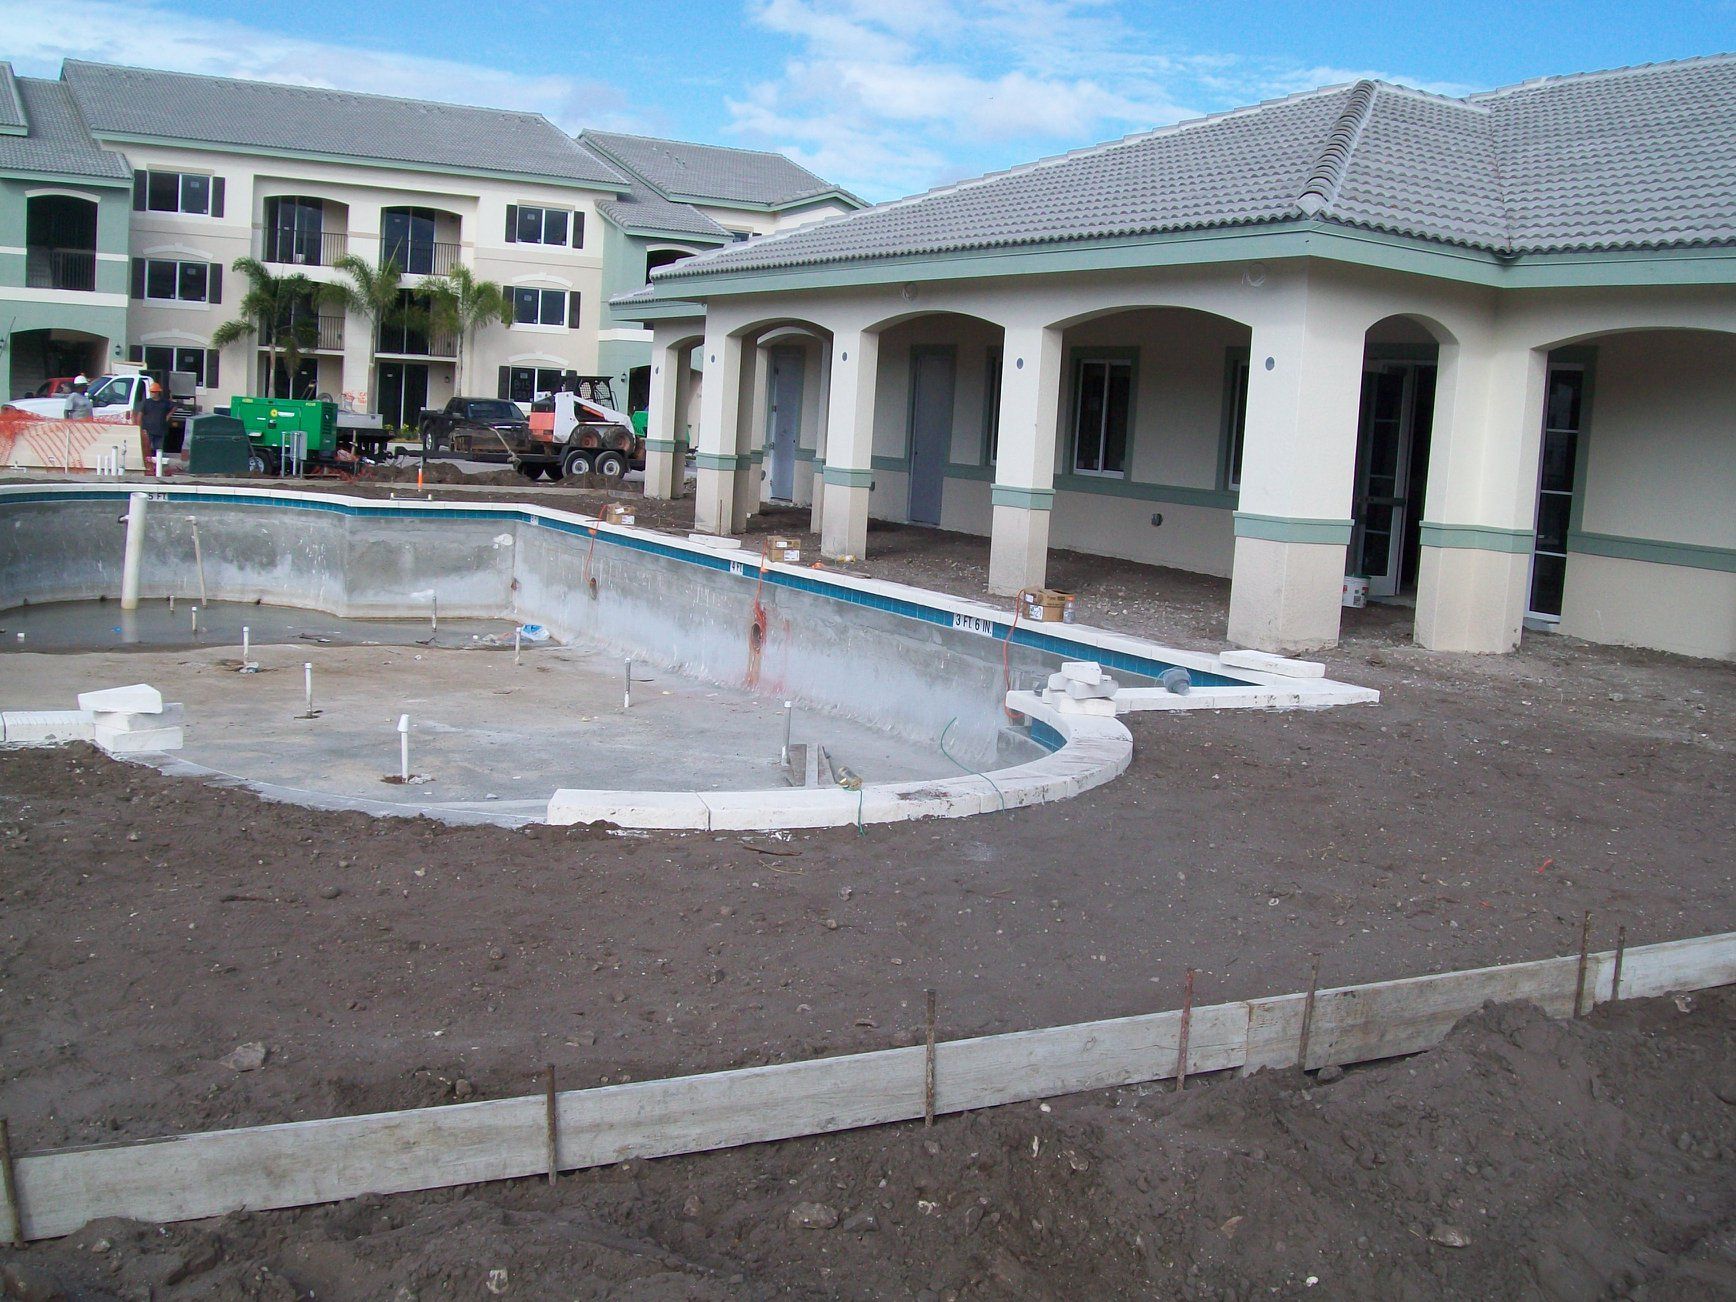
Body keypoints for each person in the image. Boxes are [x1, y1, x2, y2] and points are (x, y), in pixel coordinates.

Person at [140, 381, 174, 459]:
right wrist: (140, 427)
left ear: (158, 392)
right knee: (147, 449)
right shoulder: (147, 402)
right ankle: (149, 464)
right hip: (149, 430)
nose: (152, 393)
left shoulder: (164, 402)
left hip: (160, 430)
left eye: (154, 392)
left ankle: (157, 465)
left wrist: (169, 415)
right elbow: (140, 414)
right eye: (151, 392)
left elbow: (174, 407)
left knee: (158, 449)